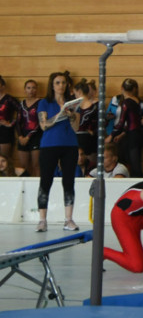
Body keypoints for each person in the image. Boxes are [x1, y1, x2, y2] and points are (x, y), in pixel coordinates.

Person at [34, 71, 80, 232]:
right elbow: (43, 125)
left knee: (69, 182)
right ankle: (42, 220)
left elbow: (76, 127)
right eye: (58, 83)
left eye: (63, 82)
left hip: (69, 145)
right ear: (52, 85)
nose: (61, 85)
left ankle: (68, 219)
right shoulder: (45, 102)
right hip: (49, 144)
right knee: (46, 181)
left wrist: (71, 115)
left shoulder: (72, 102)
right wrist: (59, 115)